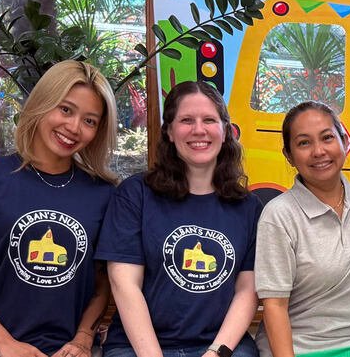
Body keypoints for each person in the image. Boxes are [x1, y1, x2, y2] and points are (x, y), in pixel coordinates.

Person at [0, 60, 119, 357]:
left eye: (89, 121)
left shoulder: (103, 194)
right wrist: (4, 343)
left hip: (71, 349)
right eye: (66, 109)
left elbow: (104, 282)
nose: (73, 127)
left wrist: (83, 339)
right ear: (41, 104)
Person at [96, 81, 261, 357]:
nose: (199, 130)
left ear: (225, 131)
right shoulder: (135, 195)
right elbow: (124, 284)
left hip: (219, 345)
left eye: (209, 120)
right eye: (186, 120)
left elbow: (247, 290)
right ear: (170, 132)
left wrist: (215, 353)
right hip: (137, 347)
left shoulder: (248, 207)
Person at [255, 101, 350, 357]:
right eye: (304, 143)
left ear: (344, 141)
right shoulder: (279, 214)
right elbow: (274, 305)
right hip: (295, 346)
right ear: (289, 156)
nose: (318, 151)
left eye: (327, 138)